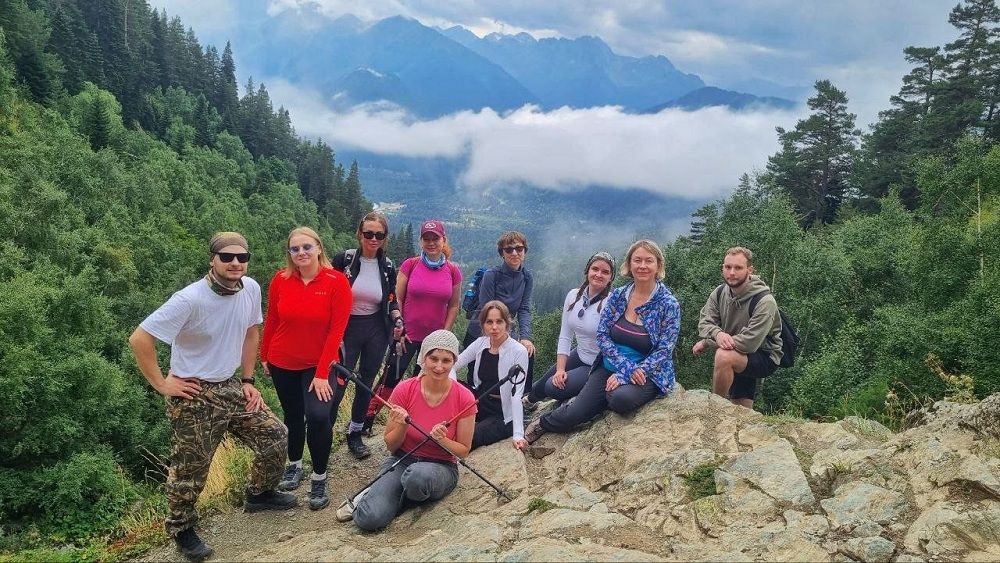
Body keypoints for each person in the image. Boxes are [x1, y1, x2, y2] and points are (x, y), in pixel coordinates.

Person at [129, 232, 296, 562]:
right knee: (191, 468)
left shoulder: (249, 288)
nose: (236, 263)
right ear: (212, 260)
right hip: (194, 393)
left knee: (276, 436)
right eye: (227, 257)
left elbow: (251, 332)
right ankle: (182, 529)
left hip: (230, 384)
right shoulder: (189, 299)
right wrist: (162, 383)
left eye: (242, 257)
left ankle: (259, 494)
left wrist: (248, 379)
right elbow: (140, 338)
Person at [524, 240, 680, 444]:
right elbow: (603, 336)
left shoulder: (668, 304)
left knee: (619, 398)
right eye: (637, 260)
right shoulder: (618, 296)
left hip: (647, 372)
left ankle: (598, 399)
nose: (642, 266)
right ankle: (543, 423)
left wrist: (628, 373)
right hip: (608, 366)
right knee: (576, 412)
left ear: (658, 266)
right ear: (629, 265)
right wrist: (624, 368)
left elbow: (664, 349)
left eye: (648, 261)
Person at [342, 330, 477, 531]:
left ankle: (390, 495)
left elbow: (463, 451)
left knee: (417, 478)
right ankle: (385, 496)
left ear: (454, 361)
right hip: (401, 460)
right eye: (433, 358)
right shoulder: (405, 389)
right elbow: (391, 445)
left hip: (441, 467)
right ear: (423, 358)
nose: (439, 366)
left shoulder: (464, 398)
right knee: (368, 519)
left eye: (446, 360)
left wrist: (442, 440)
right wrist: (403, 425)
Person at [260, 227, 353, 510]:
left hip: (318, 364)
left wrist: (323, 373)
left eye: (306, 247)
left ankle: (319, 476)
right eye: (295, 249)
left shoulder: (336, 282)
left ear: (319, 248)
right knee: (292, 413)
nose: (301, 253)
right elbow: (272, 318)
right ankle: (295, 464)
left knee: (318, 416)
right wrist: (265, 355)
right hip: (282, 360)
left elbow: (336, 331)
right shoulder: (281, 279)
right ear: (289, 253)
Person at [331, 211, 402, 459]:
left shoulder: (388, 266)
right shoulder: (344, 260)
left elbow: (391, 298)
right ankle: (325, 433)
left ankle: (355, 433)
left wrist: (397, 318)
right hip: (346, 327)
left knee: (365, 382)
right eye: (368, 233)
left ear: (385, 238)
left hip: (376, 328)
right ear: (360, 234)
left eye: (379, 235)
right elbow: (328, 291)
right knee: (338, 382)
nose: (373, 239)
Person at [692, 247, 783, 409]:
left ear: (750, 270)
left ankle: (715, 409)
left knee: (723, 356)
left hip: (764, 355)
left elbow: (749, 344)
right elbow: (704, 322)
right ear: (722, 268)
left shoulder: (764, 301)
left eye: (738, 268)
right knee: (742, 412)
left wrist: (708, 342)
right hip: (737, 353)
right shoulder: (720, 293)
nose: (732, 273)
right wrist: (717, 334)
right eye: (728, 267)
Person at [524, 252, 615, 409]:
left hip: (597, 364)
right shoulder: (574, 296)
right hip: (580, 353)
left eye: (605, 272)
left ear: (610, 278)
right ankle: (527, 404)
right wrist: (560, 369)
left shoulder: (612, 303)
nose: (599, 275)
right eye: (595, 269)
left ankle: (577, 395)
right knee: (541, 385)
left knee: (551, 387)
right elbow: (565, 335)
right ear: (587, 271)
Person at [391, 219, 463, 385]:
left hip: (433, 342)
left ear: (443, 240)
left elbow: (453, 306)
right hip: (406, 336)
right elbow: (398, 298)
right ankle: (373, 411)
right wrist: (399, 328)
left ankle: (411, 413)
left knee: (422, 384)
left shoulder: (453, 271)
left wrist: (443, 336)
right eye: (426, 239)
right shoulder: (410, 265)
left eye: (435, 239)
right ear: (421, 241)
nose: (431, 243)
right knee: (390, 381)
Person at [454, 301, 530, 450]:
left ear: (507, 323)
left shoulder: (519, 351)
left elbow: (516, 394)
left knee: (470, 436)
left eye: (499, 321)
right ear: (483, 325)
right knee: (450, 383)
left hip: (501, 412)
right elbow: (453, 365)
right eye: (489, 322)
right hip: (479, 400)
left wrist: (518, 434)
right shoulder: (480, 343)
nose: (494, 327)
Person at [463, 231, 535, 388]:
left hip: (506, 330)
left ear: (525, 251)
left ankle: (524, 400)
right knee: (477, 378)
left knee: (528, 353)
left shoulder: (527, 277)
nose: (514, 253)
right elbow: (487, 309)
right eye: (508, 249)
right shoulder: (491, 275)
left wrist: (525, 337)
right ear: (502, 253)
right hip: (480, 331)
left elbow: (523, 309)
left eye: (519, 248)